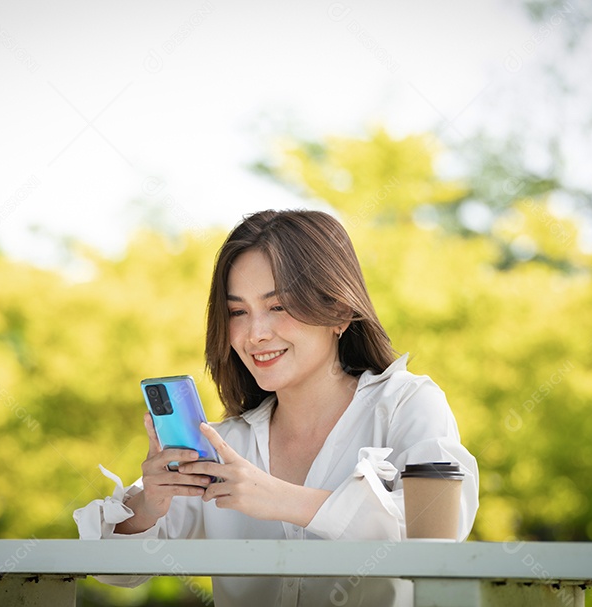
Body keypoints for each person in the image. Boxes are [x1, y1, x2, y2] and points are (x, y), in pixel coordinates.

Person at [74, 209, 479, 607]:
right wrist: (148, 505)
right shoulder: (224, 446)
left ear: (339, 312)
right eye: (238, 312)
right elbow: (113, 569)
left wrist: (283, 499)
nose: (255, 334)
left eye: (278, 306)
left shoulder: (407, 404)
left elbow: (439, 536)